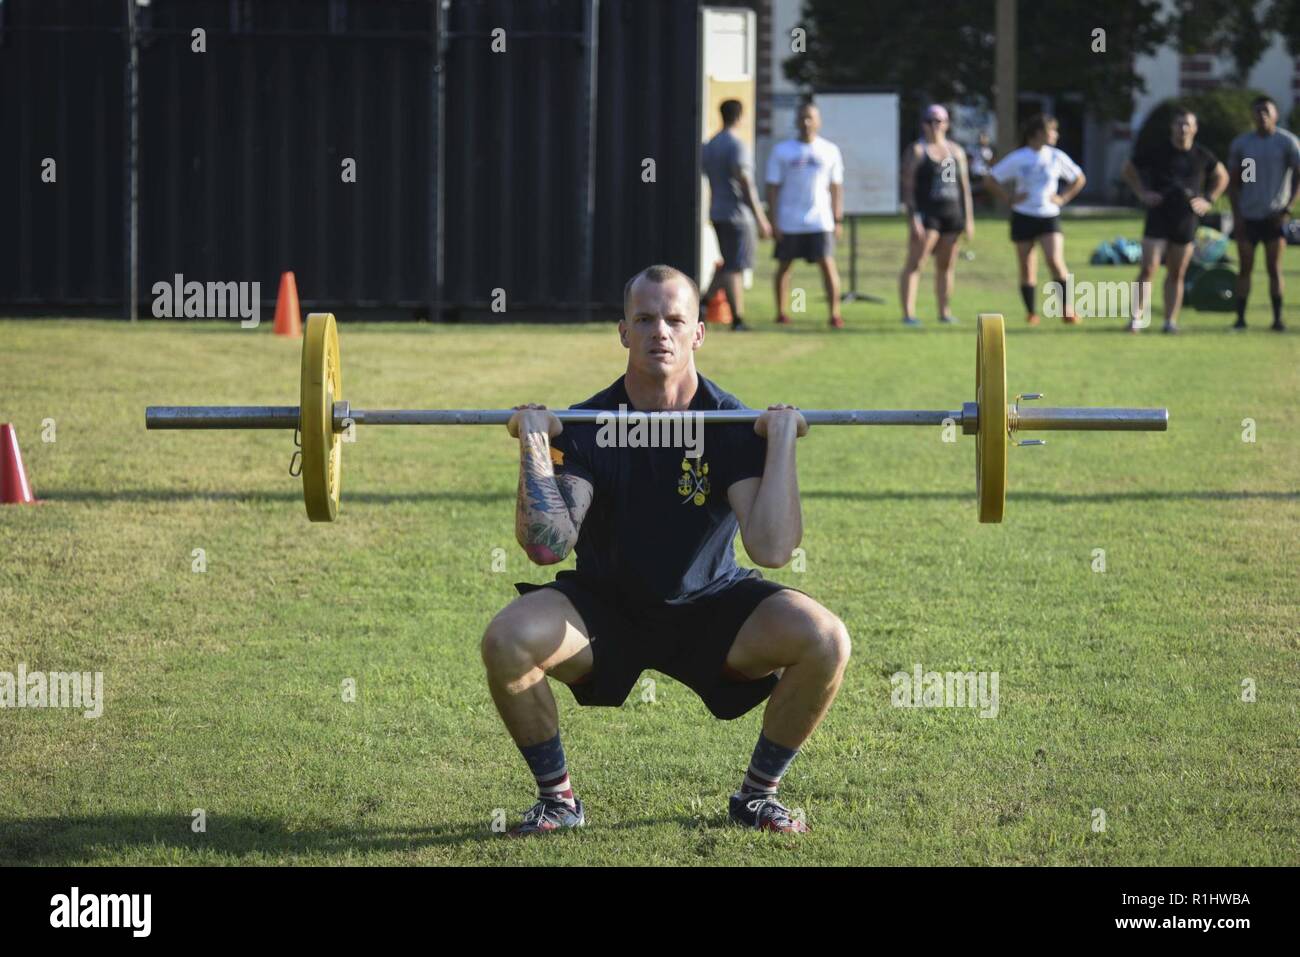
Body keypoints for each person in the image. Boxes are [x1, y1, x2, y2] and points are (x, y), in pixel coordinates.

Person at [484, 264, 851, 835]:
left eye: (675, 319)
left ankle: (757, 796)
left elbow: (772, 548)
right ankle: (558, 801)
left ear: (698, 332)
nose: (661, 332)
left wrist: (780, 443)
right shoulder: (589, 425)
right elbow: (546, 547)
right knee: (506, 639)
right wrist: (535, 442)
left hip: (712, 605)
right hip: (604, 609)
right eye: (646, 318)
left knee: (825, 638)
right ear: (623, 332)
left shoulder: (729, 424)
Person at [1122, 107, 1228, 333]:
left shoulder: (1202, 155)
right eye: (1179, 124)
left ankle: (1170, 321)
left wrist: (1208, 199)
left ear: (1195, 128)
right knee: (1148, 268)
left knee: (1177, 272)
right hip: (1158, 216)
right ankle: (1136, 319)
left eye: (1187, 124)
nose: (1182, 129)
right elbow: (1129, 169)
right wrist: (1142, 193)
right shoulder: (1157, 151)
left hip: (1185, 219)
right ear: (1172, 127)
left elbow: (1222, 176)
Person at [985, 114, 1087, 326]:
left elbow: (1079, 178)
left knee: (1055, 261)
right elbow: (991, 179)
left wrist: (1063, 198)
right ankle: (1031, 313)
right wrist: (1009, 199)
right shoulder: (1019, 157)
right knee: (1026, 267)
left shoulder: (1056, 156)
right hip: (1023, 215)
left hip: (1048, 215)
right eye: (1052, 130)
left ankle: (1067, 309)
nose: (1056, 135)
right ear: (1038, 133)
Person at [766, 103, 846, 328]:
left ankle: (834, 313)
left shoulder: (829, 150)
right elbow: (772, 187)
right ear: (796, 121)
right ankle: (781, 311)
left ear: (818, 122)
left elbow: (836, 187)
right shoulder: (782, 151)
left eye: (811, 118)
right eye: (802, 118)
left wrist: (837, 218)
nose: (806, 123)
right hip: (789, 220)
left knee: (828, 265)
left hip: (820, 220)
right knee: (784, 266)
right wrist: (774, 220)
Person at [1227, 95, 1299, 332]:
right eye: (1258, 111)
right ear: (1252, 116)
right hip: (1249, 215)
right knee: (1245, 266)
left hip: (1274, 216)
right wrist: (1237, 213)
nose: (1262, 116)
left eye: (1267, 111)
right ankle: (1240, 318)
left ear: (1276, 114)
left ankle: (1277, 318)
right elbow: (1240, 181)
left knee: (1274, 267)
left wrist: (1288, 206)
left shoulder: (1287, 143)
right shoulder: (1244, 144)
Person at [897, 104, 974, 326]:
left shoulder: (956, 152)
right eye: (930, 121)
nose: (935, 126)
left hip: (952, 213)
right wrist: (913, 219)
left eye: (939, 121)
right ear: (923, 124)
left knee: (946, 265)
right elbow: (908, 188)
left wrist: (968, 219)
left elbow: (964, 188)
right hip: (928, 214)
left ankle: (944, 312)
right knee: (916, 263)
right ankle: (908, 314)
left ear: (947, 124)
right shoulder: (918, 151)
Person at [701, 99, 773, 333]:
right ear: (740, 117)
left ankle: (701, 303)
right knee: (735, 266)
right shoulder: (737, 146)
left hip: (718, 212)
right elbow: (746, 183)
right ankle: (738, 319)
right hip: (737, 215)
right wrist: (761, 217)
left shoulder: (710, 145)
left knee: (727, 263)